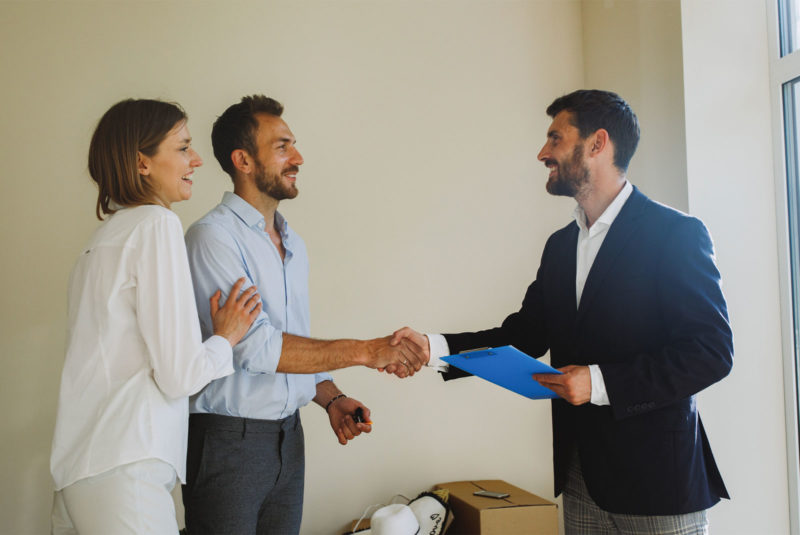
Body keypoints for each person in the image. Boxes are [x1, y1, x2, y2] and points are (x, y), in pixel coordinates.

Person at [393, 90, 733, 534]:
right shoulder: (560, 246)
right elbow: (526, 334)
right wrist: (435, 348)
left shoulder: (677, 234)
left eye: (555, 138)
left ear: (598, 144)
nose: (542, 153)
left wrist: (596, 382)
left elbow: (710, 352)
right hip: (579, 479)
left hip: (659, 484)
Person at [182, 94, 428, 535]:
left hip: (288, 440)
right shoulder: (212, 239)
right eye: (281, 147)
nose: (297, 157)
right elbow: (257, 348)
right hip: (227, 444)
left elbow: (295, 346)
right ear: (243, 160)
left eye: (292, 144)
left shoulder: (293, 245)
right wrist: (370, 352)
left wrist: (329, 397)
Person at [50, 99, 262, 534]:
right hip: (126, 468)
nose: (197, 159)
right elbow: (179, 376)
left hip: (80, 472)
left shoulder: (100, 241)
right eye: (183, 147)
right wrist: (226, 336)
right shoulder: (155, 226)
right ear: (141, 162)